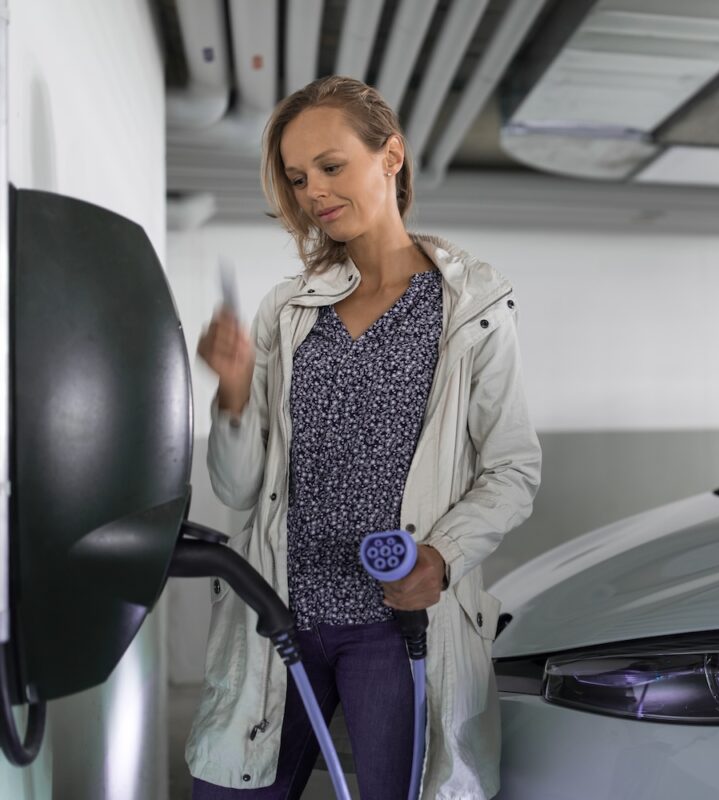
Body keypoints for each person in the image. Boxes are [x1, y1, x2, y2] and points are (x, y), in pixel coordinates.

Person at [186, 74, 541, 800]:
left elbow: (512, 470)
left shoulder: (471, 306)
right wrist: (233, 389)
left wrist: (442, 557)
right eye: (297, 177)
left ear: (391, 156)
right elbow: (238, 487)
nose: (313, 191)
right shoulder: (288, 311)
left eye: (330, 165)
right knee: (229, 789)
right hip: (279, 615)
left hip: (396, 626)